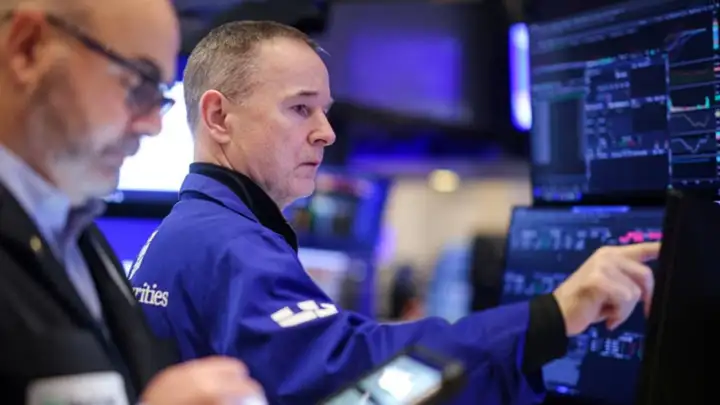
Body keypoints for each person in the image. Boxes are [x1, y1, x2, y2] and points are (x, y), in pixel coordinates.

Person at [128, 20, 660, 404]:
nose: (326, 132)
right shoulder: (229, 246)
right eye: (300, 108)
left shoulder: (186, 232)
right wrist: (552, 316)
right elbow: (356, 376)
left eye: (324, 111)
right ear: (219, 116)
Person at [0, 1, 264, 403]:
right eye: (138, 82)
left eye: (158, 97)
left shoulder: (79, 236)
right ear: (28, 48)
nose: (153, 125)